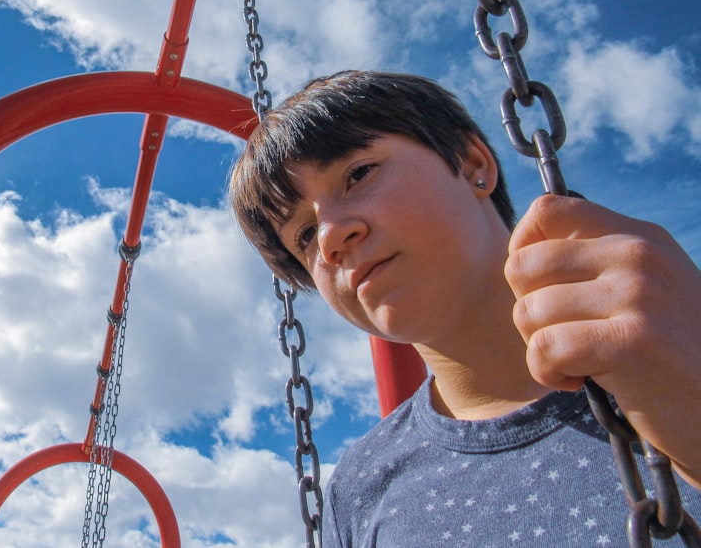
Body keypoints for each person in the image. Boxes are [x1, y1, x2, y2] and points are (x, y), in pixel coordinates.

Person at [229, 70, 701, 546]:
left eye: (358, 174)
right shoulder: (359, 486)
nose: (330, 237)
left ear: (473, 162)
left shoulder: (667, 344)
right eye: (304, 236)